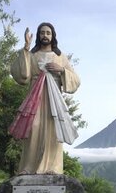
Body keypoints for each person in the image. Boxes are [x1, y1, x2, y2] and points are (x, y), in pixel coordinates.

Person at [9, 22, 80, 174]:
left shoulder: (60, 57)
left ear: (53, 35)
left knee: (53, 129)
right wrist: (26, 49)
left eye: (48, 33)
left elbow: (76, 80)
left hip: (53, 97)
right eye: (42, 33)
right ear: (38, 36)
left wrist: (61, 70)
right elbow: (23, 75)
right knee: (33, 127)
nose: (45, 35)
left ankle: (53, 167)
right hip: (36, 96)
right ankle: (29, 167)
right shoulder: (32, 55)